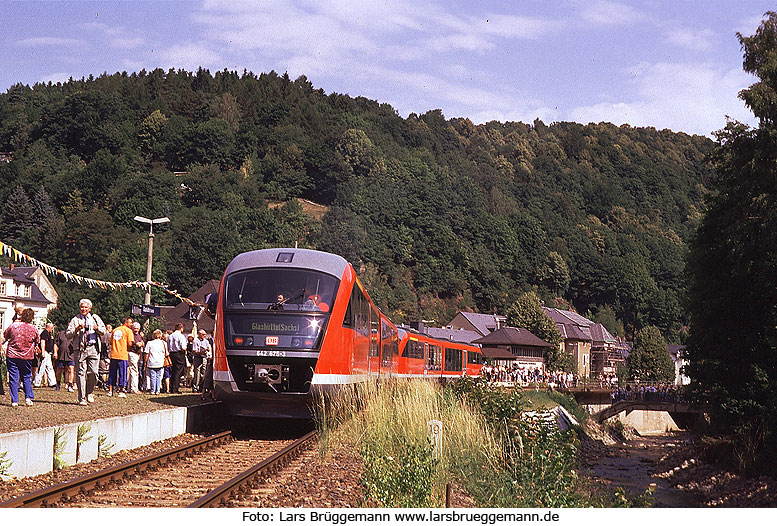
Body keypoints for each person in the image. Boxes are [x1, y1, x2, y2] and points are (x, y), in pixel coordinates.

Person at [67, 298, 106, 406]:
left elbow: (104, 331)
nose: (83, 309)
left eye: (85, 307)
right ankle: (82, 398)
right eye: (82, 307)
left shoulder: (95, 318)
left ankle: (89, 392)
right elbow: (68, 334)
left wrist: (96, 328)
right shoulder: (75, 319)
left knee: (94, 372)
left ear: (89, 308)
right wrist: (76, 329)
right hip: (80, 349)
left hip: (93, 348)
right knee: (80, 373)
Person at [4, 308, 40, 407]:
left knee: (13, 377)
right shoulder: (34, 329)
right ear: (32, 318)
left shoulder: (13, 326)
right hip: (27, 356)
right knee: (26, 376)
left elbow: (5, 335)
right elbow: (37, 340)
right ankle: (28, 398)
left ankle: (14, 400)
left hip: (12, 355)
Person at [109, 317, 134, 398]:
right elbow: (130, 343)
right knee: (122, 373)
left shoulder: (114, 330)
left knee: (112, 373)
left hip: (113, 354)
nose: (131, 324)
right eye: (130, 323)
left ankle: (110, 390)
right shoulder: (128, 331)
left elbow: (111, 342)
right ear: (126, 322)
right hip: (122, 354)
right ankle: (121, 390)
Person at [144, 329, 168, 395]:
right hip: (160, 362)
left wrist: (145, 361)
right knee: (159, 377)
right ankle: (157, 390)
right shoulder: (163, 343)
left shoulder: (149, 343)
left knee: (152, 377)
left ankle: (152, 390)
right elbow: (167, 353)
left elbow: (146, 353)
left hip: (151, 361)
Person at [34, 322, 57, 388]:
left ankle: (52, 382)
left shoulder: (48, 334)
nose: (52, 329)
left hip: (48, 353)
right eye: (52, 328)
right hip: (45, 353)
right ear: (48, 327)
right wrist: (43, 352)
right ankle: (37, 383)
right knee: (41, 368)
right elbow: (42, 342)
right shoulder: (44, 333)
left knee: (49, 368)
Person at [166, 323, 187, 394]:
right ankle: (175, 388)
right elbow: (183, 347)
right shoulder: (181, 336)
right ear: (181, 328)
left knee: (173, 370)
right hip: (179, 354)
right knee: (178, 371)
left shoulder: (170, 336)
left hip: (172, 354)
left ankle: (172, 387)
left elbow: (168, 346)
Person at [53, 327, 75, 392]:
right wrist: (55, 352)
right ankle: (58, 384)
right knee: (59, 370)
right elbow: (56, 344)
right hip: (61, 355)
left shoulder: (75, 335)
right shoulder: (60, 334)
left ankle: (70, 385)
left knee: (71, 369)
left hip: (71, 356)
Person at [127, 321, 144, 394]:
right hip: (132, 353)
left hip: (137, 354)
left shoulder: (139, 335)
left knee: (132, 371)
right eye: (134, 328)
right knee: (134, 371)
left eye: (137, 328)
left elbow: (142, 343)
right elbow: (137, 344)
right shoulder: (131, 335)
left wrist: (141, 343)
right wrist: (140, 344)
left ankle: (130, 388)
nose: (136, 329)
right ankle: (134, 388)